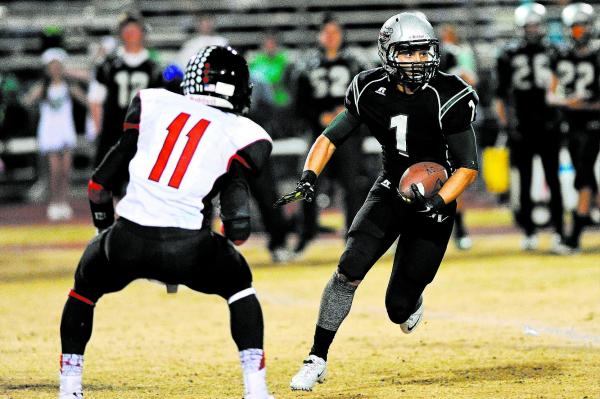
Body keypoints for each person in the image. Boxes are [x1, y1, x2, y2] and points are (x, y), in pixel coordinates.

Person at [58, 46, 275, 399]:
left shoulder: (154, 103)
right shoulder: (245, 133)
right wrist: (219, 245)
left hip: (126, 240)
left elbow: (99, 186)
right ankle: (256, 388)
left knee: (85, 286)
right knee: (239, 285)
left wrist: (104, 234)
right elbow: (238, 227)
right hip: (189, 248)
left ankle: (69, 387)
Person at [277, 12, 479, 391]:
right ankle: (316, 357)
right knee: (348, 268)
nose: (418, 61)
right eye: (408, 53)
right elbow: (331, 136)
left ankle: (411, 299)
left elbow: (468, 167)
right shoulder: (369, 88)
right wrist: (309, 174)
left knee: (397, 309)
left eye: (424, 53)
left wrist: (437, 203)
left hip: (435, 197)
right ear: (388, 54)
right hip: (389, 189)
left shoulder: (449, 93)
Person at [495, 2, 565, 251]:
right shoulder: (508, 54)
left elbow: (561, 88)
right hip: (522, 126)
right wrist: (506, 124)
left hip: (548, 124)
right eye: (529, 25)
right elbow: (500, 96)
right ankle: (528, 231)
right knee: (523, 182)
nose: (533, 30)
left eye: (536, 25)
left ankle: (559, 230)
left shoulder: (555, 52)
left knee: (553, 180)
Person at [293, 15, 366, 254]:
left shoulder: (355, 63)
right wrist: (319, 116)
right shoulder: (307, 65)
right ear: (320, 36)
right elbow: (299, 103)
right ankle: (306, 233)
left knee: (353, 187)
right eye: (327, 32)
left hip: (349, 135)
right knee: (308, 182)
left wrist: (346, 113)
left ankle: (353, 238)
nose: (331, 37)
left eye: (335, 32)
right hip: (319, 135)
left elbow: (369, 97)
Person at [88, 11, 163, 195]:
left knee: (141, 183)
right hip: (114, 131)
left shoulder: (154, 67)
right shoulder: (109, 65)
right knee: (108, 183)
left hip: (142, 132)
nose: (131, 34)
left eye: (134, 30)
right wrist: (99, 130)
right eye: (127, 30)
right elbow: (95, 100)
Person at [547, 2, 600, 253]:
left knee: (584, 176)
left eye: (582, 27)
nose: (579, 32)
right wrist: (570, 102)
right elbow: (550, 94)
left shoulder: (597, 55)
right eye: (575, 28)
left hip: (594, 123)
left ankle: (575, 236)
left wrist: (587, 104)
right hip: (570, 124)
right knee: (585, 175)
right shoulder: (561, 56)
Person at [22, 48, 87, 221]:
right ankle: (54, 202)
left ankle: (64, 201)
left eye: (58, 65)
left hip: (65, 130)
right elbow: (27, 101)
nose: (55, 69)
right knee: (54, 170)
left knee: (66, 170)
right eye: (52, 66)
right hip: (50, 131)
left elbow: (86, 100)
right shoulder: (43, 87)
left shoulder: (69, 86)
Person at [438, 23, 479, 250]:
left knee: (454, 177)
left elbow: (470, 81)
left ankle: (460, 230)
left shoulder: (451, 54)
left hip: (446, 126)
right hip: (418, 126)